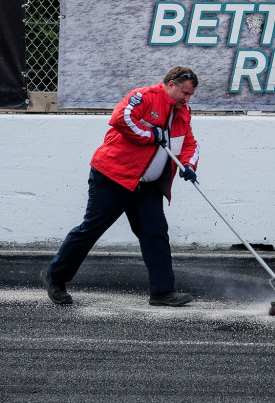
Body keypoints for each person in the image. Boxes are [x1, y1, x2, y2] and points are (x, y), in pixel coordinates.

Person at [41, 67, 200, 307]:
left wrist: (188, 165)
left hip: (146, 185)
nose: (187, 99)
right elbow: (120, 118)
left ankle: (162, 292)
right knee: (90, 230)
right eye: (185, 93)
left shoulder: (183, 113)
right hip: (114, 176)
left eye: (190, 95)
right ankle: (54, 276)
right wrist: (150, 134)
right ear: (170, 84)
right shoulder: (144, 96)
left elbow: (188, 142)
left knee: (155, 233)